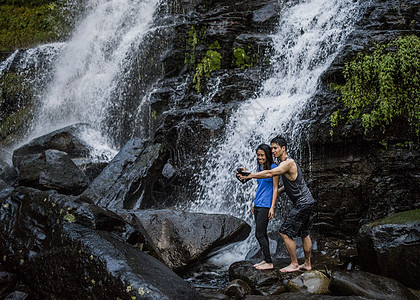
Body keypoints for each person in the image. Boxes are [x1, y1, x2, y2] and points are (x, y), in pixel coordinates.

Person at [238, 136, 316, 273]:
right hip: (306, 201)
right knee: (304, 232)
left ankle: (294, 264)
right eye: (272, 148)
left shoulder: (287, 163)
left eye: (275, 148)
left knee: (284, 231)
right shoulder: (285, 165)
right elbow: (287, 186)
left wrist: (249, 175)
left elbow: (270, 173)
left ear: (283, 148)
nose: (273, 151)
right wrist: (272, 195)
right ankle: (307, 264)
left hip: (302, 203)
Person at [239, 144, 279, 270]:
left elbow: (275, 188)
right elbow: (260, 187)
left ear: (267, 155)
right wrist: (253, 203)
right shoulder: (260, 167)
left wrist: (272, 207)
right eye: (258, 155)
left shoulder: (274, 168)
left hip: (266, 205)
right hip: (258, 204)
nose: (259, 157)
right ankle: (266, 259)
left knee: (259, 234)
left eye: (262, 155)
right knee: (263, 233)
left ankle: (269, 262)